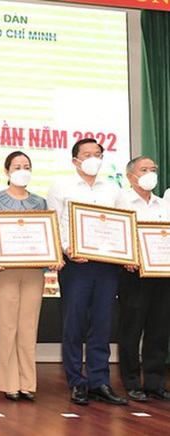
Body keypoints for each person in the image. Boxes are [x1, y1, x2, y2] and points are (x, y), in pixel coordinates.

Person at [47, 138, 126, 406]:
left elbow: (121, 225)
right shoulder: (61, 187)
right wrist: (69, 250)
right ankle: (76, 381)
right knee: (75, 323)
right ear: (75, 160)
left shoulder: (113, 189)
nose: (93, 158)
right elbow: (54, 225)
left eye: (98, 153)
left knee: (102, 323)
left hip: (107, 265)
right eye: (87, 154)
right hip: (76, 265)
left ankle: (99, 381)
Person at [0, 151, 56, 402]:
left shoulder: (39, 203)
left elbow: (46, 235)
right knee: (6, 328)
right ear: (6, 172)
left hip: (34, 272)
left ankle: (27, 383)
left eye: (27, 166)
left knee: (28, 328)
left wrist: (52, 257)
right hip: (2, 271)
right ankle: (9, 384)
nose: (22, 170)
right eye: (17, 166)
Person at [116, 156, 170, 402]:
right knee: (131, 329)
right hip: (133, 274)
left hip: (162, 274)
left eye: (154, 169)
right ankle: (131, 382)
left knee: (159, 329)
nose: (151, 173)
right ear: (130, 176)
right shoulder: (121, 201)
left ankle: (155, 382)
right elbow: (115, 234)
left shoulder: (164, 204)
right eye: (144, 169)